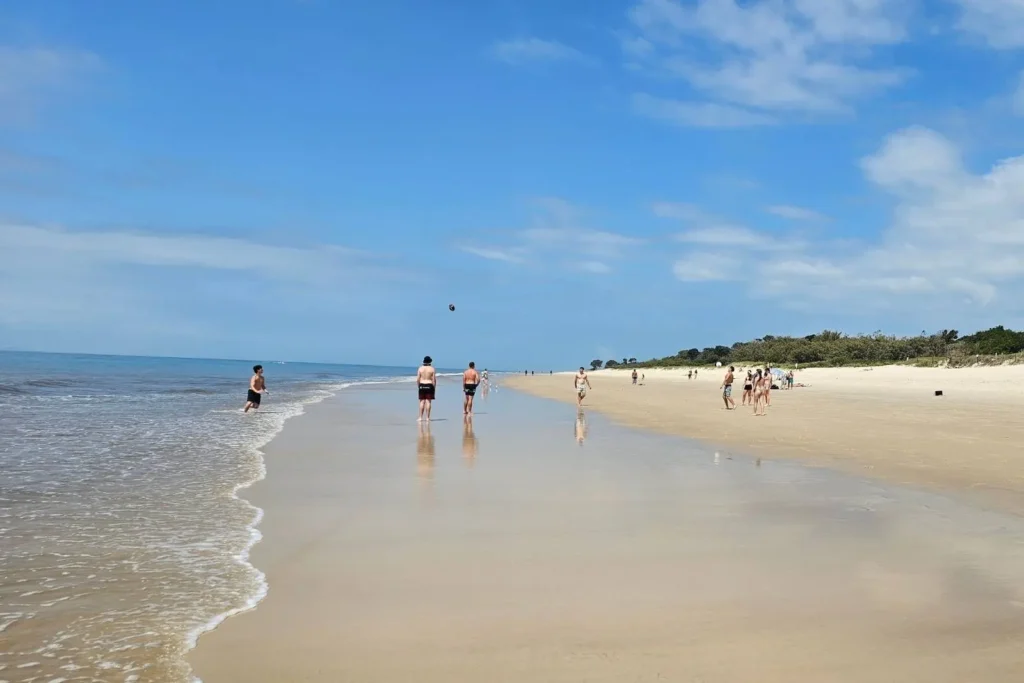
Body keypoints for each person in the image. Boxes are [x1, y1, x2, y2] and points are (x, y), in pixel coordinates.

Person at [416, 356, 436, 422]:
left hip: (422, 384)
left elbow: (418, 379)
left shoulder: (420, 368)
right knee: (428, 401)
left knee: (422, 402)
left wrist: (419, 386)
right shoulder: (432, 369)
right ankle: (427, 418)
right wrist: (434, 387)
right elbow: (434, 379)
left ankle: (420, 417)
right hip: (429, 385)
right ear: (430, 362)